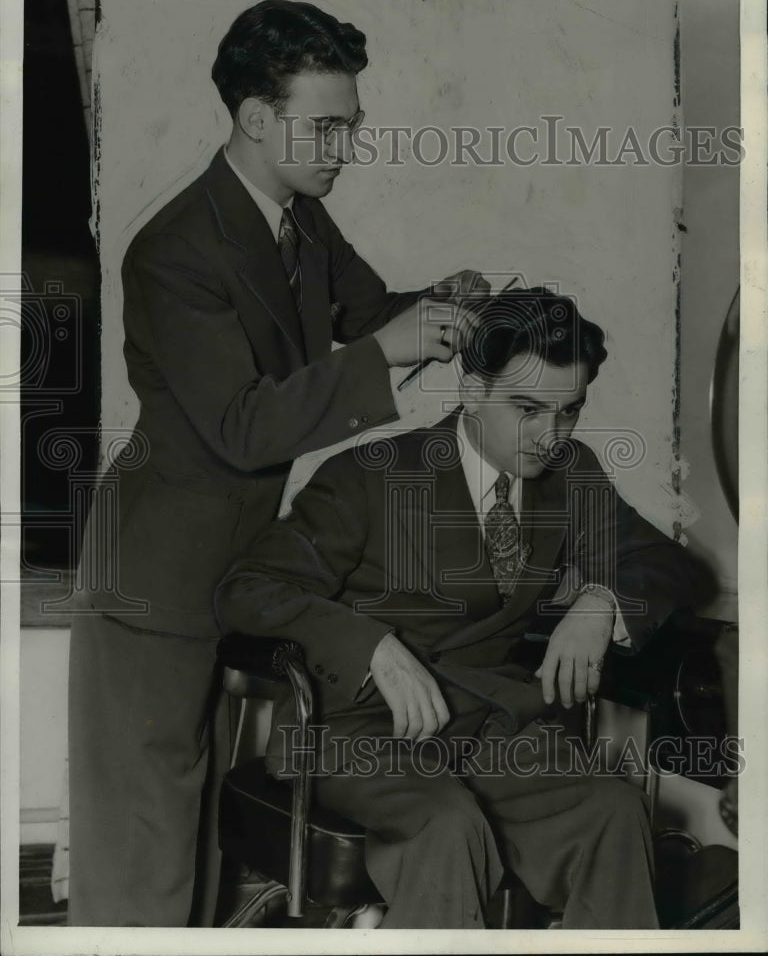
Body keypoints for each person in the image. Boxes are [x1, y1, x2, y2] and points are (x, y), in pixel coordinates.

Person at [67, 0, 487, 927]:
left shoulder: (299, 220)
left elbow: (371, 318)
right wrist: (393, 349)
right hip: (151, 574)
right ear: (257, 119)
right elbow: (245, 427)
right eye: (326, 125)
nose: (345, 145)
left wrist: (451, 303)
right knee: (144, 846)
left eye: (351, 125)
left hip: (240, 561)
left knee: (206, 824)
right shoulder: (174, 249)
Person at [216, 287, 713, 929]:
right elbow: (247, 588)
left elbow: (677, 567)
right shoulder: (371, 474)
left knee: (611, 812)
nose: (549, 435)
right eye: (528, 408)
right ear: (472, 388)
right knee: (447, 823)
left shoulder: (571, 474)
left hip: (487, 730)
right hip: (353, 733)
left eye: (570, 411)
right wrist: (371, 646)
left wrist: (601, 600)